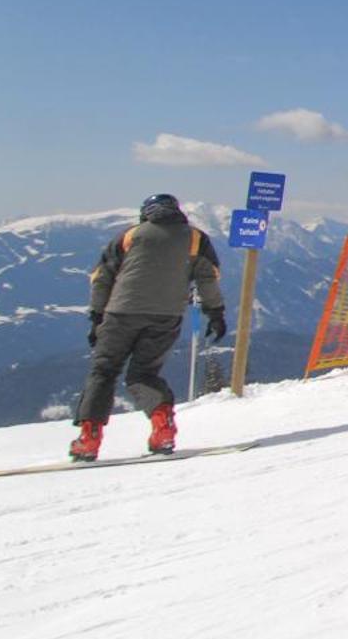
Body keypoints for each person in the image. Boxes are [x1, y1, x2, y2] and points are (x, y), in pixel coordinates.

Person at [69, 194, 229, 461]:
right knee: (144, 374)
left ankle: (89, 438)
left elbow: (101, 277)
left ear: (146, 213)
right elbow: (208, 278)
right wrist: (216, 313)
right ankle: (162, 427)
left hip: (121, 313)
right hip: (166, 316)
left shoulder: (130, 235)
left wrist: (96, 316)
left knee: (104, 372)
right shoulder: (195, 238)